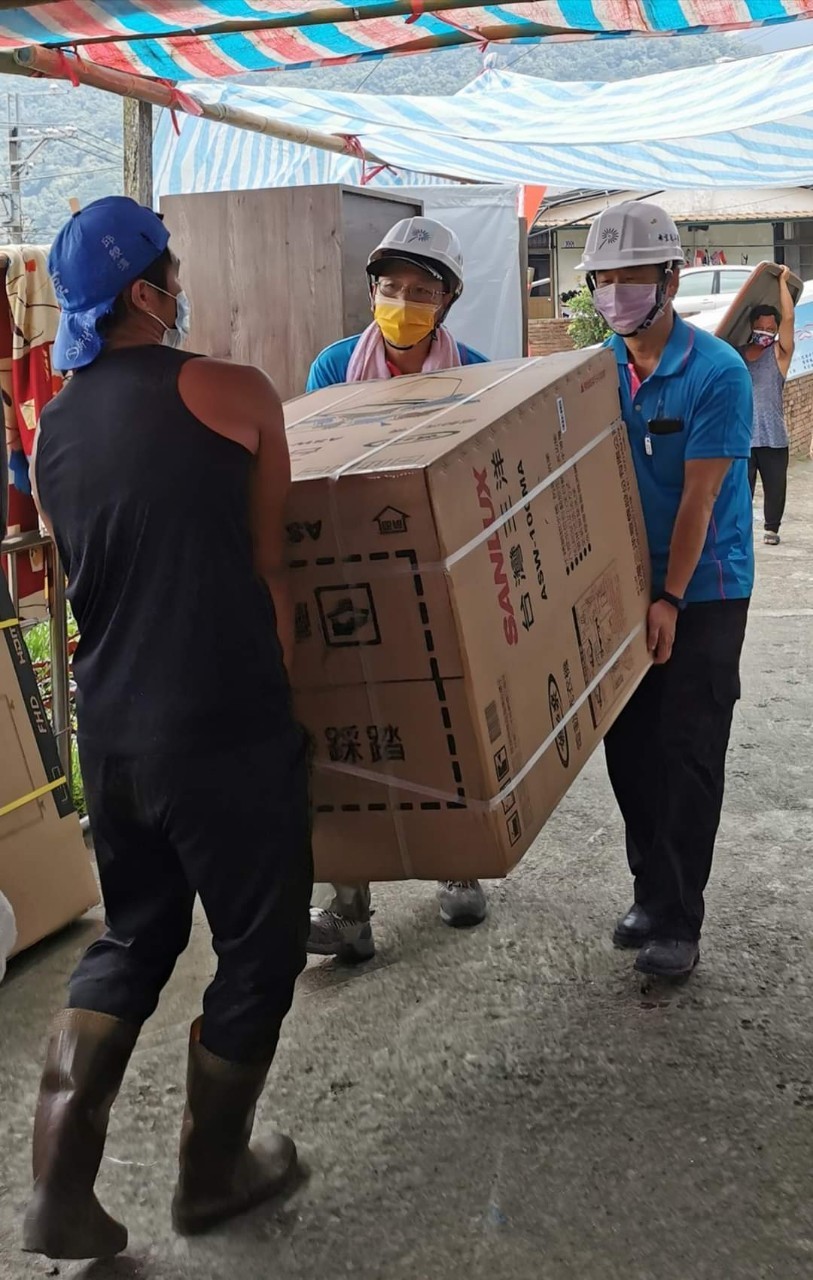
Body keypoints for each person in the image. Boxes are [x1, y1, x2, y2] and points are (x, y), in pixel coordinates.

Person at [23, 197, 312, 1260]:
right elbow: (271, 570)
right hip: (222, 723)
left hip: (113, 734)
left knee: (135, 935)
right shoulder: (236, 392)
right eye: (172, 273)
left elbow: (90, 567)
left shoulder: (51, 432)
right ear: (146, 292)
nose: (181, 287)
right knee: (260, 948)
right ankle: (212, 1174)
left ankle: (57, 1191)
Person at [306, 216, 488, 961]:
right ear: (371, 290)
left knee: (447, 722)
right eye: (390, 287)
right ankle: (349, 909)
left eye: (420, 291)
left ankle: (459, 864)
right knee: (347, 736)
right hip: (350, 576)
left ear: (446, 301)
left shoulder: (475, 374)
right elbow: (314, 465)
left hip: (440, 577)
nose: (402, 303)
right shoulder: (333, 368)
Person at [580, 200, 754, 980]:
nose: (615, 292)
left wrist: (669, 600)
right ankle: (649, 893)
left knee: (686, 749)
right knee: (629, 746)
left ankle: (678, 917)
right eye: (602, 278)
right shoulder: (593, 374)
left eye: (632, 276)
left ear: (670, 279)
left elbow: (699, 499)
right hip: (623, 582)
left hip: (704, 587)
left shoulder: (715, 372)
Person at [741, 271, 796, 545]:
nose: (766, 332)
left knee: (775, 487)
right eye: (761, 327)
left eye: (770, 328)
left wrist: (782, 282)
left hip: (773, 436)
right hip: (743, 436)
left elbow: (789, 319)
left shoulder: (779, 355)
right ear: (751, 327)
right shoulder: (737, 354)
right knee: (741, 489)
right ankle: (740, 529)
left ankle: (771, 529)